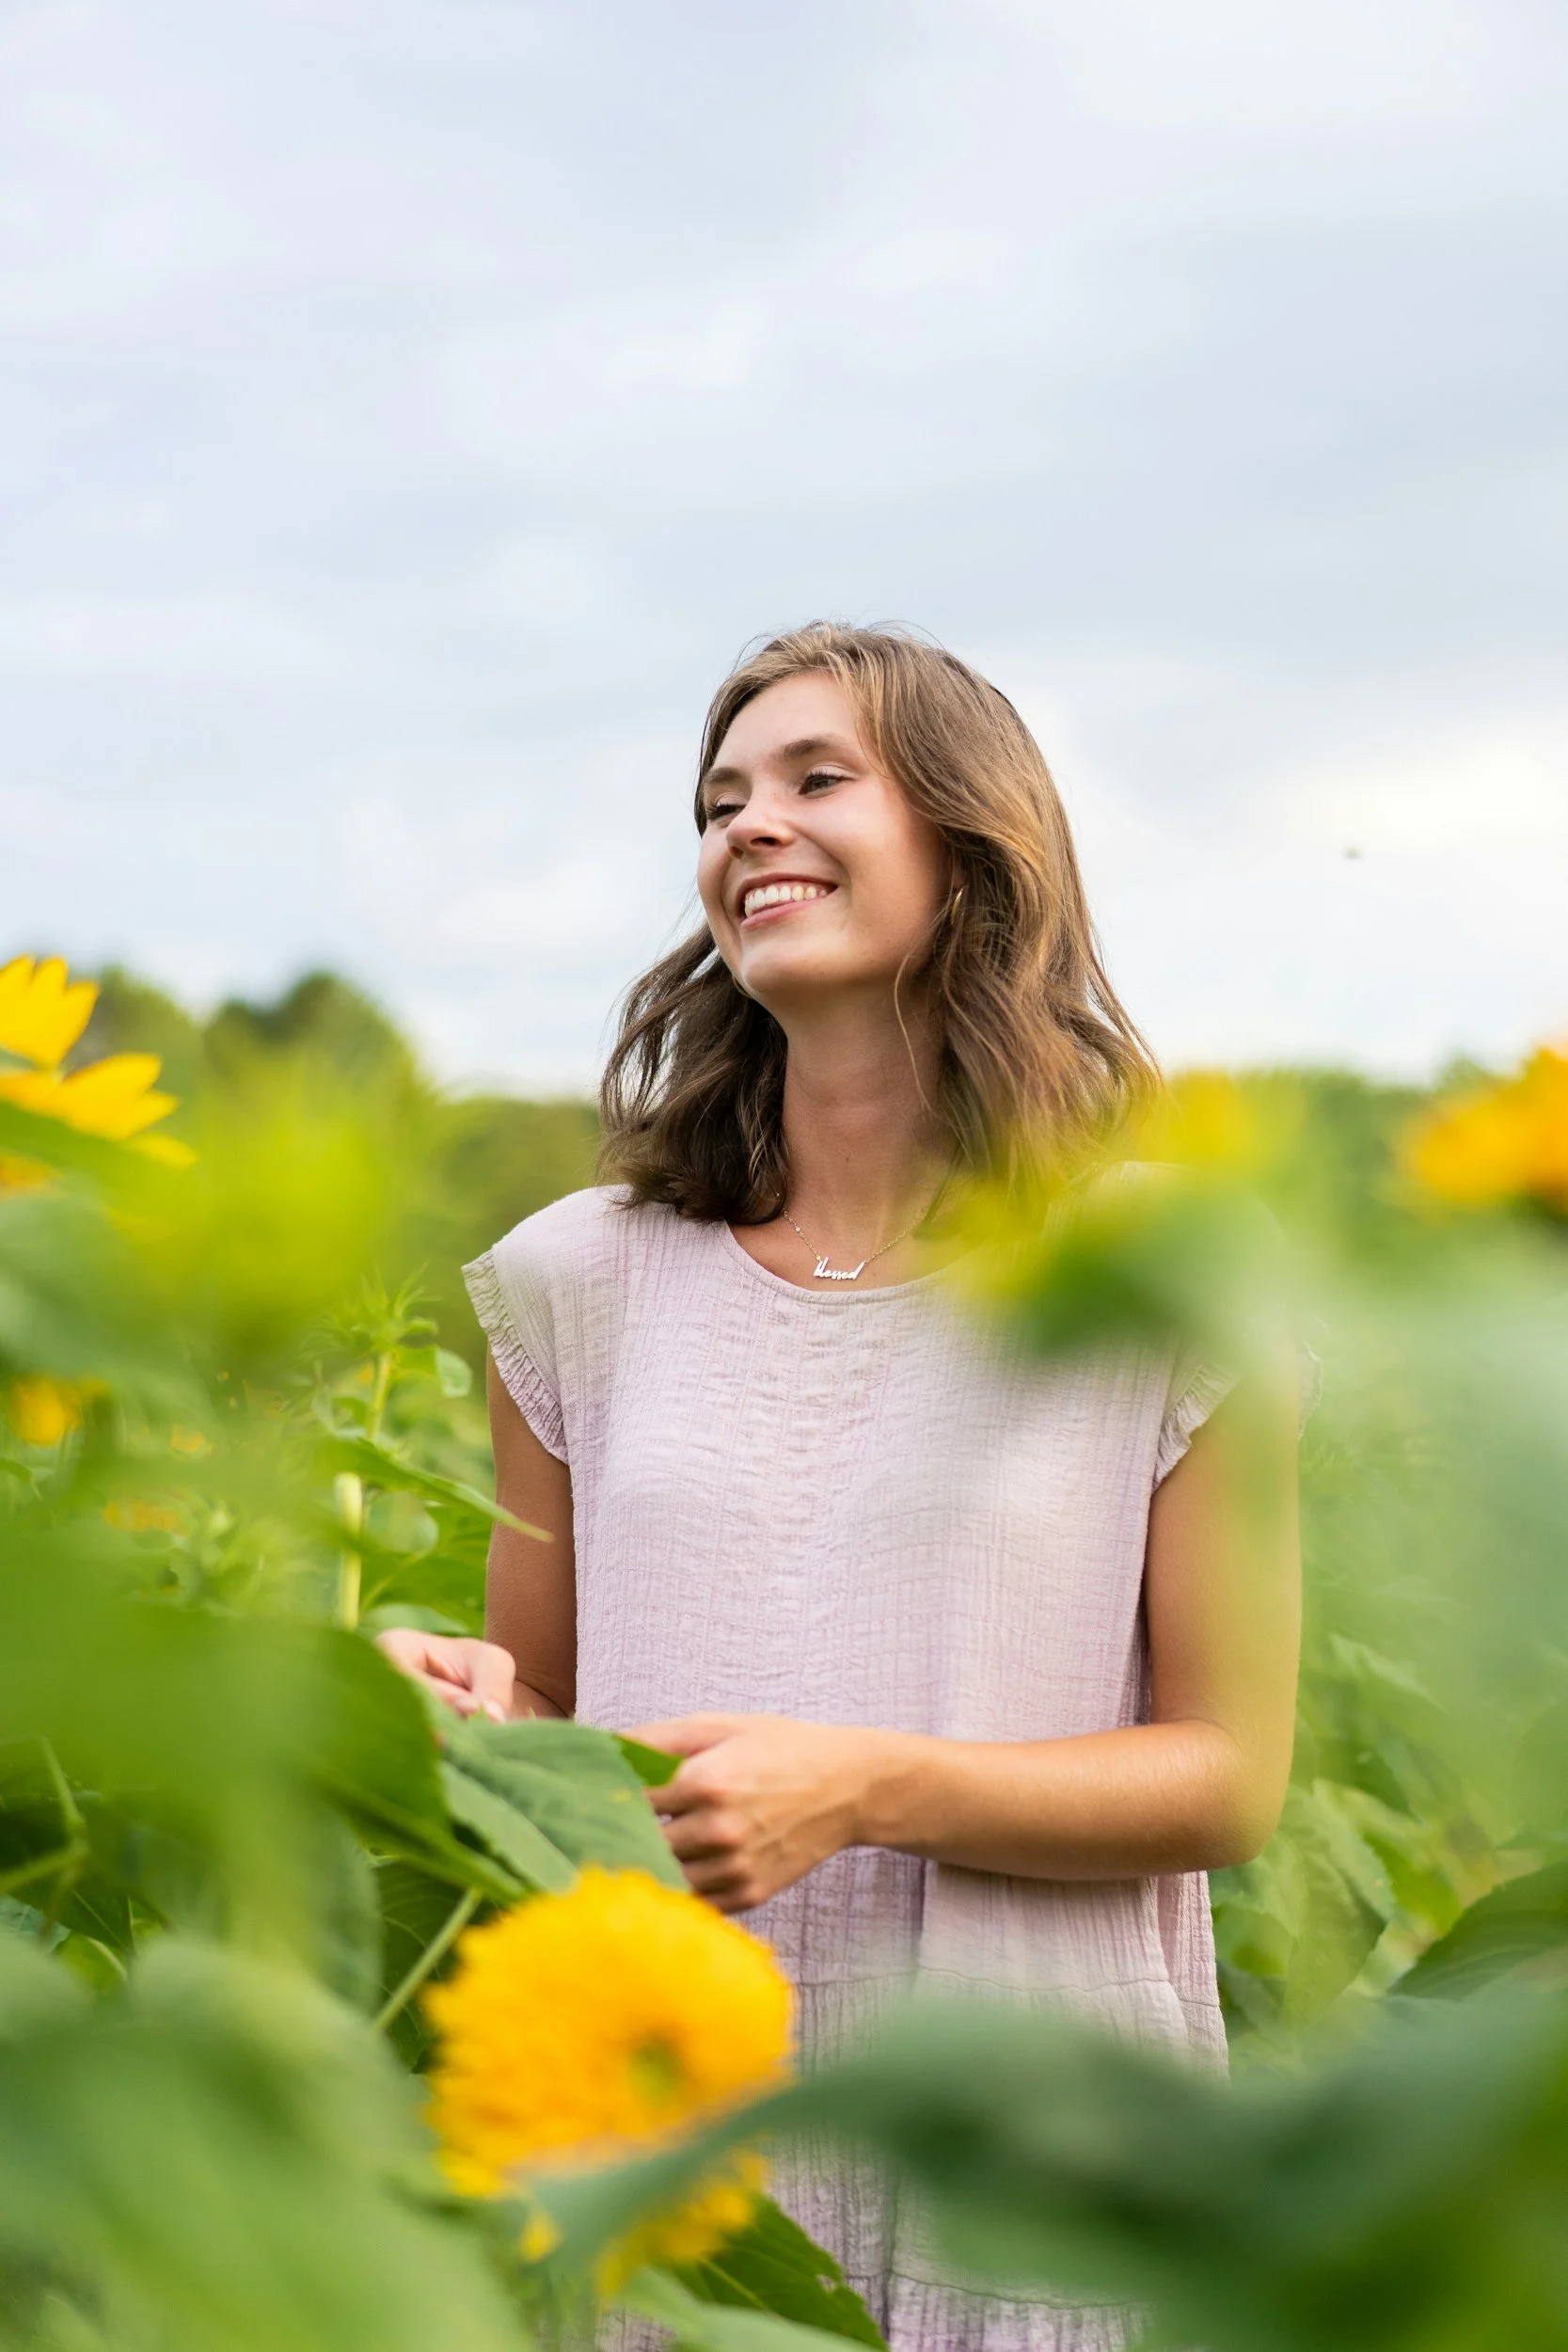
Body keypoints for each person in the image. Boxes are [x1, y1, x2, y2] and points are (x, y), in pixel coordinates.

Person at [379, 623, 1301, 2352]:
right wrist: (444, 1702)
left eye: (817, 779)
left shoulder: (1156, 1271)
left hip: (1026, 2135)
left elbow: (1227, 1777)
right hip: (670, 2143)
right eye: (720, 801)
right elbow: (549, 1713)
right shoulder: (577, 1279)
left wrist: (870, 1787)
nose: (748, 825)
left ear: (972, 843)